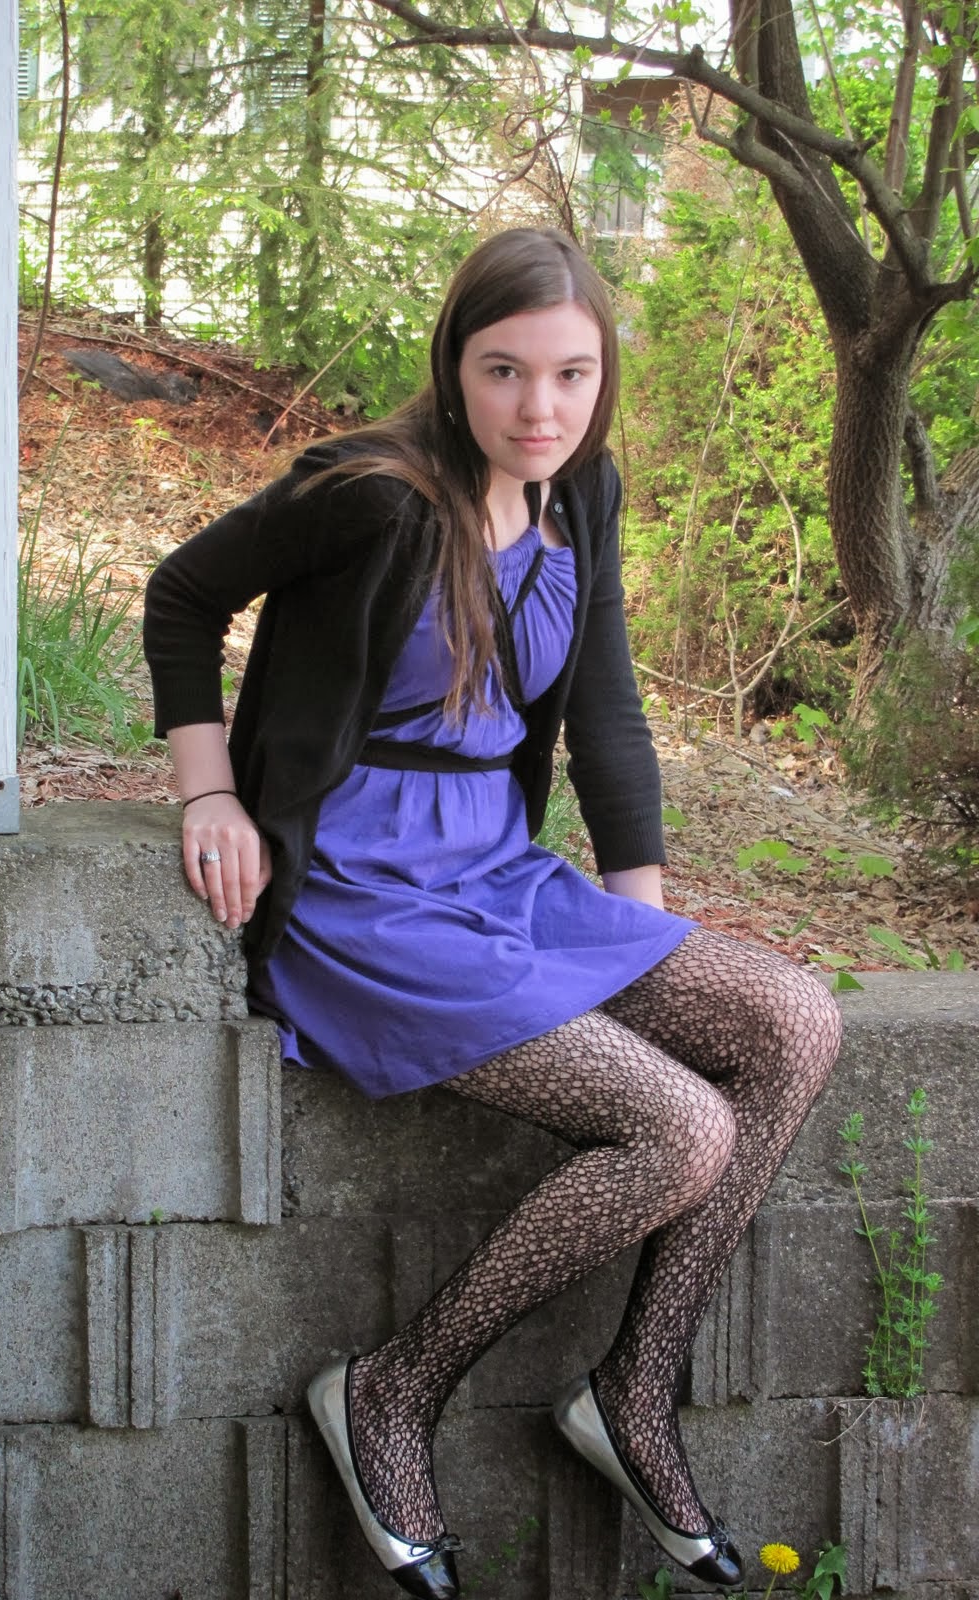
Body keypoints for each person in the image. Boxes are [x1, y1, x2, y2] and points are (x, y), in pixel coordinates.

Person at [143, 227, 842, 1600]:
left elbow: (607, 714)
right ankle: (392, 1392)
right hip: (362, 887)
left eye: (572, 374)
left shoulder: (582, 492)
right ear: (454, 366)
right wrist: (209, 792)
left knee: (793, 1019)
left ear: (603, 377)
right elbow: (184, 594)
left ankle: (633, 1396)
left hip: (500, 869)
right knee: (680, 1128)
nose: (540, 408)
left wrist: (647, 944)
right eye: (505, 371)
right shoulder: (373, 495)